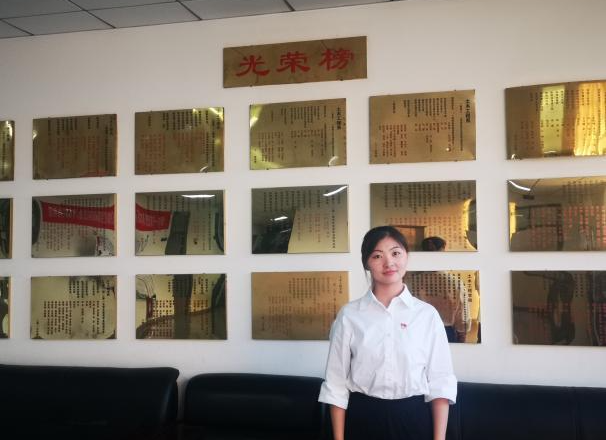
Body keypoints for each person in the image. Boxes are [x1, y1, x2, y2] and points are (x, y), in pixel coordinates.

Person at [319, 226, 456, 440]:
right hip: (362, 419)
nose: (389, 262)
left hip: (413, 419)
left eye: (395, 253)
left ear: (406, 257)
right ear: (367, 263)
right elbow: (335, 384)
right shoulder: (350, 315)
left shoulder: (426, 315)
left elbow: (441, 383)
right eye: (377, 256)